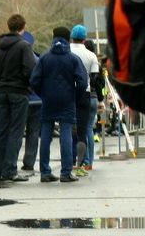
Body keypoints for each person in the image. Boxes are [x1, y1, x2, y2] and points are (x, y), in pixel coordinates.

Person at [30, 27, 87, 183]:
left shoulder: (44, 58)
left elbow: (34, 80)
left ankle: (45, 171)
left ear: (53, 38)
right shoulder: (73, 59)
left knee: (46, 135)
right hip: (67, 100)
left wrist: (43, 94)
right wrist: (75, 96)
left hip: (48, 100)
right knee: (66, 134)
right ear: (68, 39)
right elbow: (82, 82)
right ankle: (66, 172)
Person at [0, 14, 36, 183]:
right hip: (19, 91)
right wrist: (27, 84)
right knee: (16, 131)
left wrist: (0, 83)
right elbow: (31, 70)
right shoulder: (24, 46)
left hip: (2, 91)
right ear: (23, 28)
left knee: (1, 130)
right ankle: (10, 170)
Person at [69, 24, 99, 176]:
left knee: (67, 128)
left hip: (67, 93)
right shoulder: (91, 56)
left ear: (71, 37)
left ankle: (69, 162)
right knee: (85, 129)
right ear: (85, 39)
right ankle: (86, 162)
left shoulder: (66, 51)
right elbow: (94, 79)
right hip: (85, 94)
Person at [19, 31, 42, 174]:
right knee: (33, 132)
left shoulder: (17, 60)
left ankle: (12, 160)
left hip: (23, 100)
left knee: (18, 131)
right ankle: (29, 162)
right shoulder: (38, 60)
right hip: (38, 101)